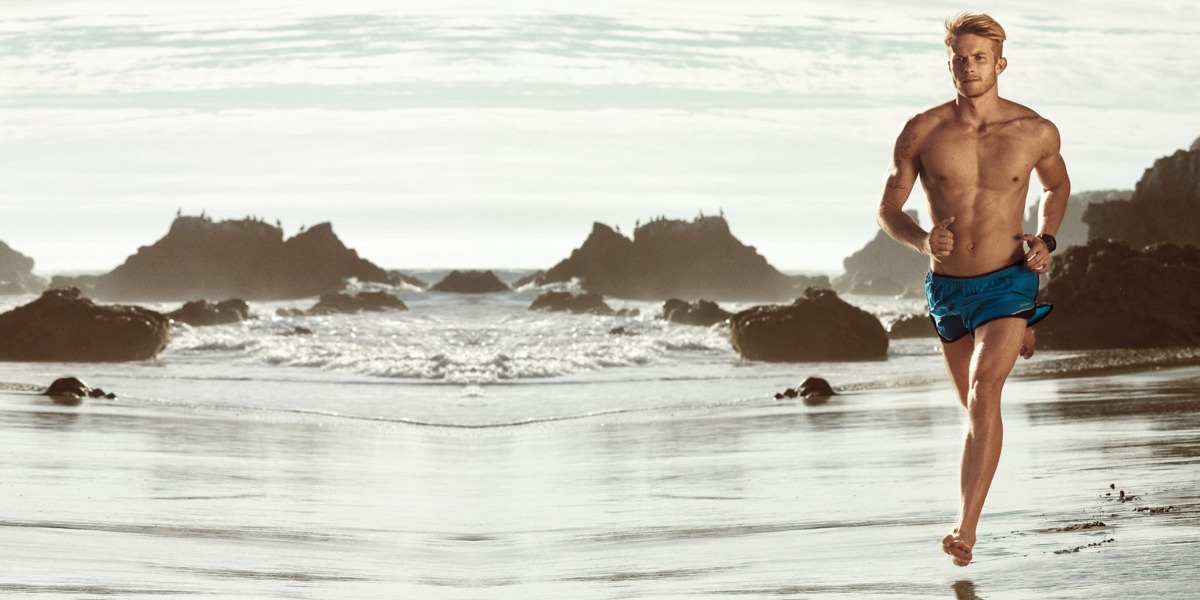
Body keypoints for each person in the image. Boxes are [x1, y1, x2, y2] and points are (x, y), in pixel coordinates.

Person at [876, 12, 1070, 567]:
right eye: (959, 58)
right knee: (972, 406)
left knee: (986, 392)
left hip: (1010, 280)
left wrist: (1047, 238)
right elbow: (888, 207)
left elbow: (1057, 184)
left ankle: (965, 528)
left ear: (999, 64)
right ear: (950, 64)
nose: (968, 66)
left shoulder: (1035, 130)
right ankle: (1017, 337)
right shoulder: (923, 131)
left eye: (979, 57)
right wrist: (920, 240)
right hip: (949, 290)